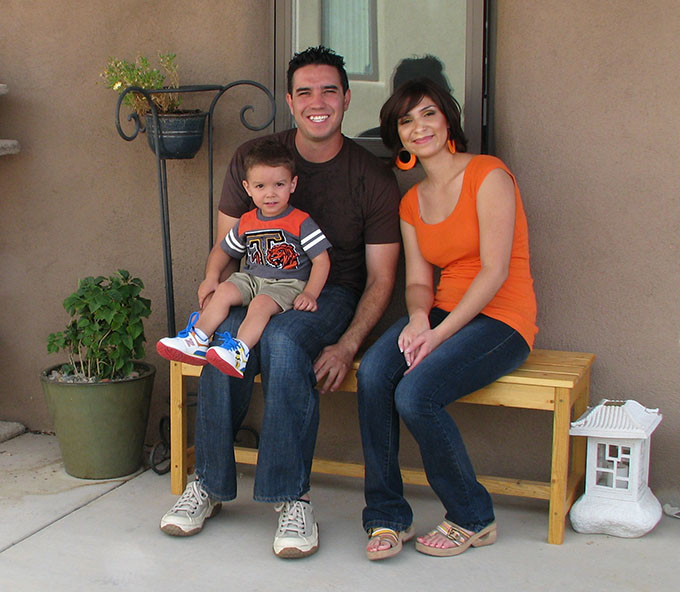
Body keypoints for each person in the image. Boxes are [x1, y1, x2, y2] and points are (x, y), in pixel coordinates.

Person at [159, 46, 401, 559]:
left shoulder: (370, 175)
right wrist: (211, 288)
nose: (318, 102)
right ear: (290, 102)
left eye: (329, 90)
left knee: (287, 342)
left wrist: (348, 343)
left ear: (346, 98)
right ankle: (209, 483)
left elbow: (382, 278)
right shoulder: (258, 157)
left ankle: (291, 495)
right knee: (225, 342)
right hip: (257, 283)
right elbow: (229, 244)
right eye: (305, 92)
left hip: (325, 294)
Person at [358, 78, 538, 560]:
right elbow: (418, 281)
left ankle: (473, 517)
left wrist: (437, 334)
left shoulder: (488, 175)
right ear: (398, 136)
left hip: (502, 319)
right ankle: (387, 517)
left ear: (448, 119)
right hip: (439, 314)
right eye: (406, 120)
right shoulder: (412, 201)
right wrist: (418, 318)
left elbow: (495, 271)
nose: (419, 128)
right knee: (375, 373)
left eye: (428, 114)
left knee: (416, 395)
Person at [156, 139, 331, 378]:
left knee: (260, 304)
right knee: (225, 290)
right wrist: (211, 278)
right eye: (260, 186)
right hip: (251, 278)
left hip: (287, 284)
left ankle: (240, 351)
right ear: (248, 188)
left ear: (293, 184)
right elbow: (223, 250)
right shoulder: (248, 221)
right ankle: (197, 339)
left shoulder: (300, 221)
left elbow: (322, 260)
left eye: (279, 184)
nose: (270, 193)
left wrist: (310, 293)